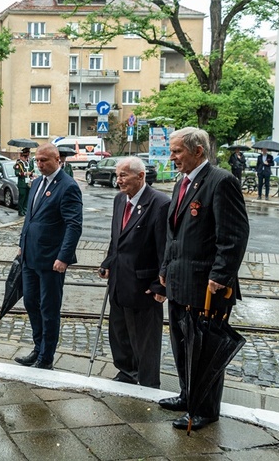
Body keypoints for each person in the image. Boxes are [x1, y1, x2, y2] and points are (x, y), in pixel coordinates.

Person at [158, 127, 249, 432]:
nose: (172, 158)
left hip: (207, 286)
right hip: (179, 281)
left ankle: (205, 410)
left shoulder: (221, 181)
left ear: (198, 151)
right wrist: (165, 267)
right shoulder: (181, 184)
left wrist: (221, 276)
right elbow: (175, 235)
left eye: (177, 151)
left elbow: (234, 235)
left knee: (204, 350)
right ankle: (187, 395)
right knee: (183, 345)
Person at [99, 157, 170, 388]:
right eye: (117, 175)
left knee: (145, 338)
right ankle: (126, 371)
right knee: (119, 332)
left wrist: (161, 285)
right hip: (119, 280)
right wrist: (108, 261)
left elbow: (165, 248)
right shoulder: (120, 200)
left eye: (124, 175)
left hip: (144, 284)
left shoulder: (159, 203)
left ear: (141, 176)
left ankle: (149, 382)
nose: (118, 180)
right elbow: (116, 238)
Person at [14, 144, 83, 370]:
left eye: (44, 160)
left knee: (49, 308)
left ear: (57, 159)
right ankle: (38, 347)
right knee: (31, 302)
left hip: (52, 260)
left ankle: (46, 357)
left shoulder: (68, 186)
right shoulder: (36, 183)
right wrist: (21, 244)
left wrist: (64, 257)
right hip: (30, 256)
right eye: (37, 160)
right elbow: (30, 218)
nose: (40, 164)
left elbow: (74, 225)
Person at [14, 148, 34, 216]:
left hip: (28, 183)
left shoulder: (29, 163)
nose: (26, 158)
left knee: (27, 197)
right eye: (25, 157)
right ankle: (20, 210)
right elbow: (17, 173)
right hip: (22, 183)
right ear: (21, 156)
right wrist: (25, 173)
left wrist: (32, 175)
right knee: (22, 197)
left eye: (27, 157)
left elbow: (32, 171)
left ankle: (25, 209)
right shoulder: (19, 164)